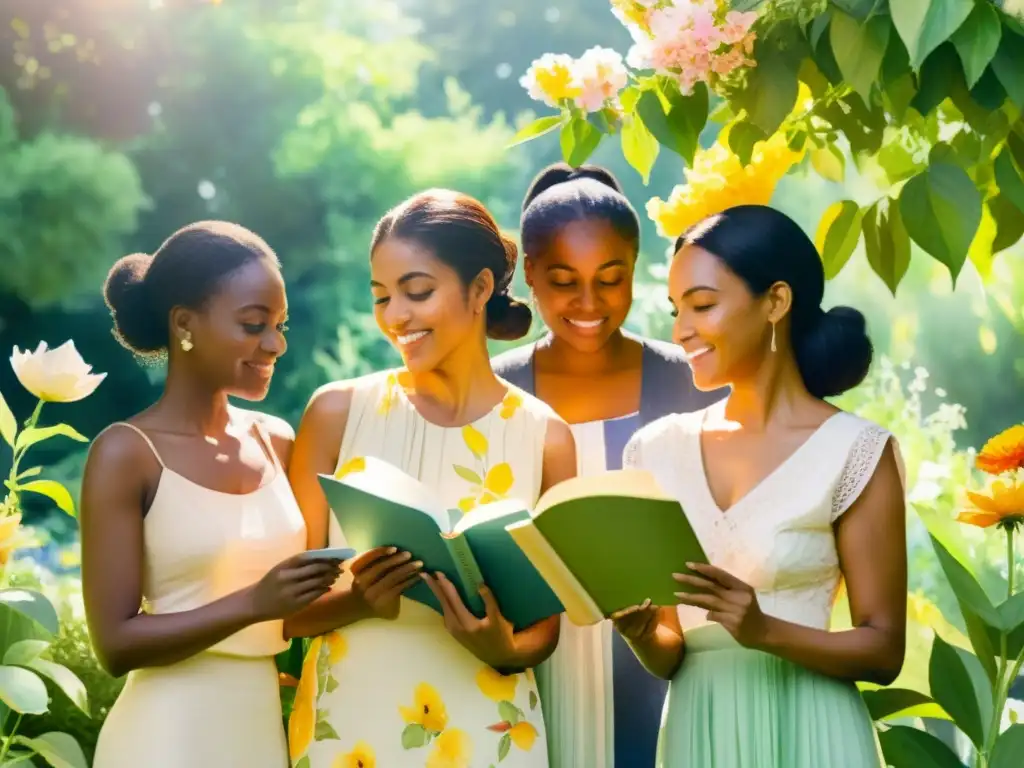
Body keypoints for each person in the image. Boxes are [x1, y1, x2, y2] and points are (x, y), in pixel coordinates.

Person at [282, 189, 576, 768]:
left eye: (417, 292)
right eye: (383, 296)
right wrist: (360, 599)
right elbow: (285, 610)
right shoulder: (337, 413)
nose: (396, 316)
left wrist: (507, 647)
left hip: (492, 728)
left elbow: (547, 627)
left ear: (481, 288)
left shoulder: (546, 436)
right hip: (351, 727)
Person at [613, 205, 907, 768]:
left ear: (775, 301)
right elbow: (674, 654)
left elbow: (883, 648)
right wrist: (644, 632)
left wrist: (764, 629)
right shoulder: (654, 450)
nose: (681, 331)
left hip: (813, 733)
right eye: (676, 310)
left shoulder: (854, 450)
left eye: (702, 305)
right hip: (699, 730)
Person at [82, 222, 342, 768]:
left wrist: (369, 596)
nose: (275, 344)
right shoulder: (126, 454)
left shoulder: (277, 441)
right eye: (254, 324)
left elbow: (290, 613)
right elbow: (114, 644)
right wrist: (254, 603)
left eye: (279, 325)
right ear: (184, 324)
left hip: (258, 734)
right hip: (165, 737)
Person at [492, 163, 723, 768]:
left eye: (611, 279)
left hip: (668, 669)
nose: (589, 303)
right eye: (564, 281)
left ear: (637, 272)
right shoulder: (495, 390)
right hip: (532, 676)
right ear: (532, 276)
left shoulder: (692, 380)